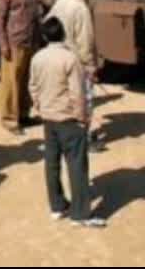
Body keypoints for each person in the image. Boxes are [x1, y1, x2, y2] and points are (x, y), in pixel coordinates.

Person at [30, 17, 105, 228]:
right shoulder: (70, 59)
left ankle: (57, 206)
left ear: (44, 36)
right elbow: (78, 93)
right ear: (63, 33)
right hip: (69, 119)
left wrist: (40, 107)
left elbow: (33, 86)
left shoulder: (38, 58)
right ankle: (81, 214)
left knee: (52, 164)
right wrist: (82, 118)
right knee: (77, 165)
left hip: (48, 119)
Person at [46, 0, 104, 152]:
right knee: (83, 101)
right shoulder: (81, 8)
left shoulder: (60, 2)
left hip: (57, 56)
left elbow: (47, 23)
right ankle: (84, 140)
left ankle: (63, 138)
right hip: (76, 61)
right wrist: (90, 66)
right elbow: (85, 40)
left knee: (63, 100)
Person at [0, 0, 42, 136]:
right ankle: (9, 120)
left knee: (26, 82)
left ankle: (23, 114)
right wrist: (3, 45)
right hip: (13, 45)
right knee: (11, 84)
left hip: (30, 43)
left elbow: (35, 16)